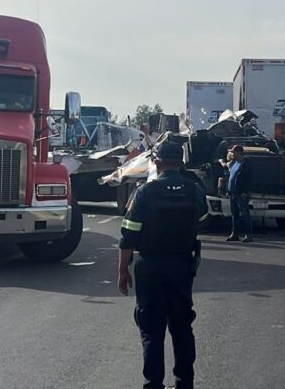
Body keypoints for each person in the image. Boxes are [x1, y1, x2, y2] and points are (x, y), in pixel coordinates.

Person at [118, 141, 209, 389]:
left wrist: (123, 271)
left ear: (156, 163)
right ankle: (184, 383)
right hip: (181, 267)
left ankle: (153, 384)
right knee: (182, 328)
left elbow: (129, 236)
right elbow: (203, 219)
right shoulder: (195, 191)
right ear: (182, 163)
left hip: (150, 267)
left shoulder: (144, 193)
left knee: (151, 331)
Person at [226, 145, 253, 242]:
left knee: (245, 214)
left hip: (241, 193)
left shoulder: (246, 164)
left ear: (238, 153)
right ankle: (235, 234)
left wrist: (245, 191)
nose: (232, 154)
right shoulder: (234, 163)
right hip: (232, 192)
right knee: (234, 214)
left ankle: (248, 234)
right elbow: (230, 176)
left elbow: (249, 179)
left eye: (234, 153)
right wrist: (228, 190)